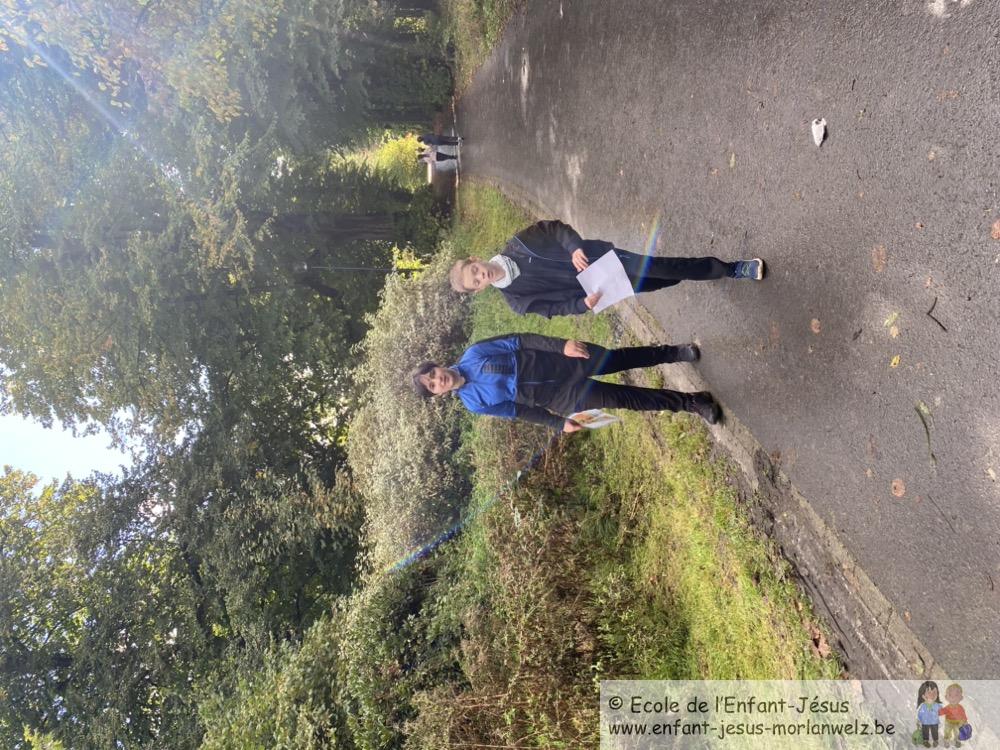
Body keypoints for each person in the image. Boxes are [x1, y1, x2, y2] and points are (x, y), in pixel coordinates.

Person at [449, 219, 764, 318]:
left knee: (662, 268)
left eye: (474, 270)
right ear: (479, 289)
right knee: (658, 282)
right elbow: (555, 308)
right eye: (475, 282)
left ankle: (730, 269)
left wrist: (574, 248)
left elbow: (555, 229)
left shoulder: (520, 244)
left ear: (476, 260)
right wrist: (581, 305)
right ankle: (693, 273)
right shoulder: (518, 302)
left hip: (602, 260)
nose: (480, 276)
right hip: (600, 288)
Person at [410, 333, 722, 430]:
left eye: (433, 374)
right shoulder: (474, 404)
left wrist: (562, 346)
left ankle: (674, 352)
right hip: (558, 398)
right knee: (623, 399)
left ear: (437, 365)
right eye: (433, 386)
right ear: (437, 395)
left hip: (559, 361)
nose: (439, 380)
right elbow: (519, 412)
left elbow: (521, 340)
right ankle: (692, 402)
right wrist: (559, 423)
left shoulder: (475, 353)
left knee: (617, 360)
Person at [916, 681, 942, 748]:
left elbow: (941, 711)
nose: (932, 695)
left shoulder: (936, 705)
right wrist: (919, 720)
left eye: (934, 692)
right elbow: (920, 713)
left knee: (934, 731)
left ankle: (935, 740)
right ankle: (925, 741)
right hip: (925, 721)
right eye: (929, 693)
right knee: (925, 731)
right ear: (923, 696)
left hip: (934, 721)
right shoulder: (923, 705)